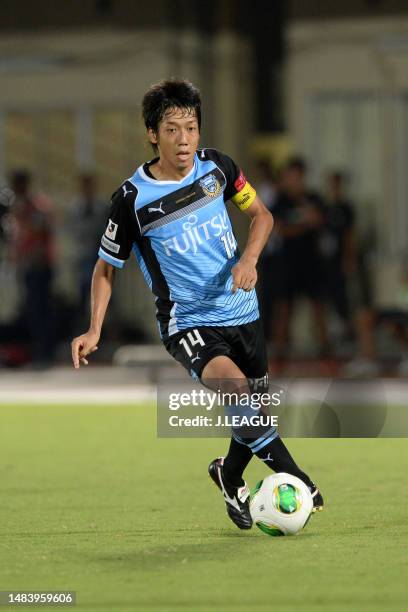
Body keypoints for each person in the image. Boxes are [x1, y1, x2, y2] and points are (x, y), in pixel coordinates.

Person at [71, 79, 323, 529]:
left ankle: (228, 475)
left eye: (191, 127)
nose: (184, 139)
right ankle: (298, 478)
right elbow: (106, 267)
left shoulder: (219, 169)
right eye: (172, 129)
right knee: (239, 395)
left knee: (252, 416)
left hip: (243, 312)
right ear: (152, 133)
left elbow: (262, 215)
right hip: (188, 322)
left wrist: (249, 258)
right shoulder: (130, 201)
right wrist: (94, 329)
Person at [271, 157, 329, 360]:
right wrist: (305, 225)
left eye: (297, 176)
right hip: (288, 262)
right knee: (285, 307)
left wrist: (305, 223)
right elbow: (280, 229)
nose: (293, 180)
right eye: (290, 176)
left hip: (311, 261)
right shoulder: (280, 201)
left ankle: (324, 346)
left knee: (318, 306)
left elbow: (321, 221)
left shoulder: (313, 198)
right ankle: (280, 349)